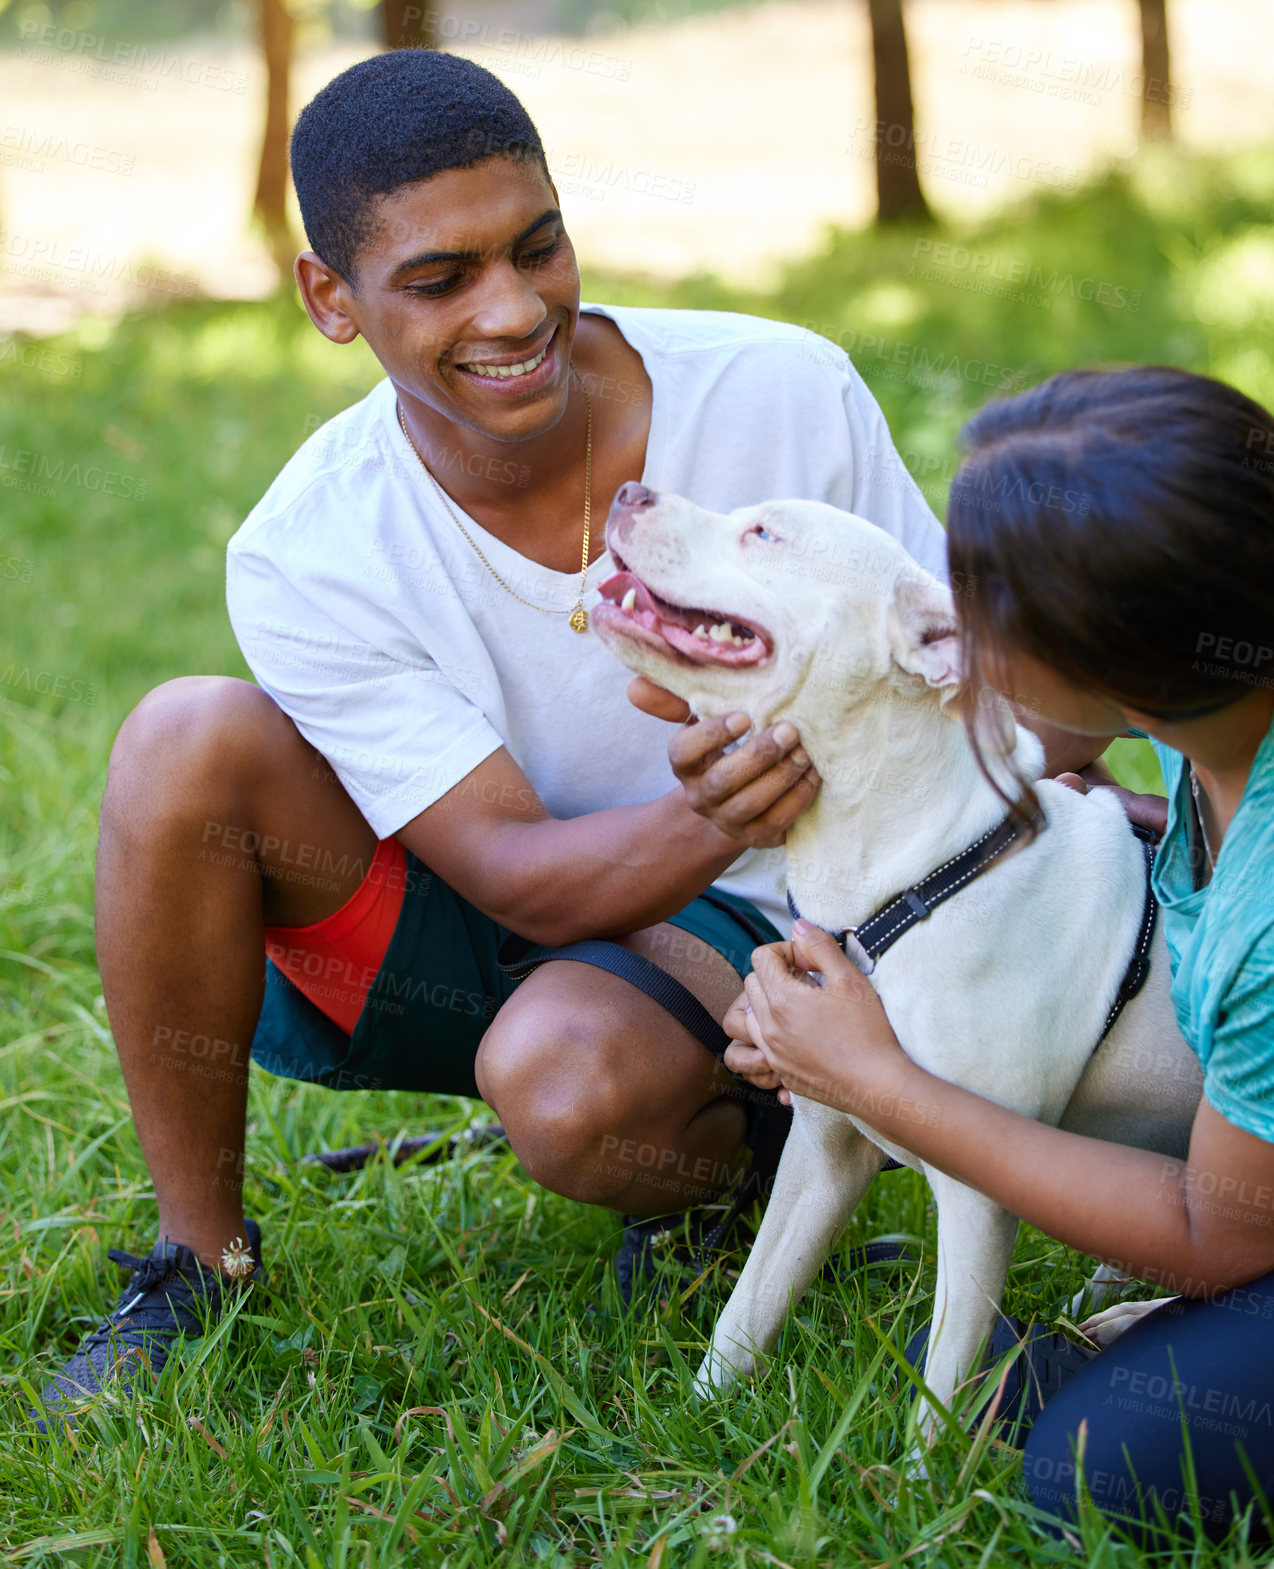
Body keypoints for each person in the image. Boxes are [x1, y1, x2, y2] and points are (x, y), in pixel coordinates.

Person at [34, 45, 980, 1422]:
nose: (514, 309)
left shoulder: (777, 389)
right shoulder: (311, 545)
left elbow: (956, 671)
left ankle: (731, 1162)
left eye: (538, 248)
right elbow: (517, 872)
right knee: (182, 740)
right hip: (513, 896)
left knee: (570, 1083)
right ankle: (197, 1257)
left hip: (778, 916)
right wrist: (710, 799)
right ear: (330, 300)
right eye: (440, 279)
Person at [713, 364, 1274, 1542]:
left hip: (1237, 1231)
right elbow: (1072, 772)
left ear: (1115, 665)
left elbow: (1216, 1228)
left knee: (1093, 1472)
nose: (952, 627)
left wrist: (872, 1081)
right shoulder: (1211, 719)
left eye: (983, 606)